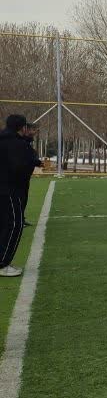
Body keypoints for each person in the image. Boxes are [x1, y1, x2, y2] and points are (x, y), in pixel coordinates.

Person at [0, 115, 34, 277]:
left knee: (4, 225)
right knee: (15, 224)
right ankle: (2, 263)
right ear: (22, 127)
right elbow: (20, 169)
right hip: (9, 190)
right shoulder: (16, 144)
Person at [19, 122, 39, 226]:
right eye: (33, 129)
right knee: (20, 198)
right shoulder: (21, 142)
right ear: (26, 129)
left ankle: (21, 218)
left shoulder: (27, 141)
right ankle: (18, 219)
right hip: (19, 175)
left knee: (23, 197)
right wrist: (36, 161)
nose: (35, 132)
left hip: (25, 175)